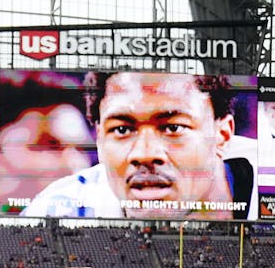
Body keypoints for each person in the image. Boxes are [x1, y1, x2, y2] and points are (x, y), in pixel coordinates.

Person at [22, 72, 252, 221]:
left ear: (222, 134)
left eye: (173, 128)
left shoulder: (274, 186)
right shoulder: (56, 210)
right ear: (100, 140)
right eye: (122, 130)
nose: (145, 154)